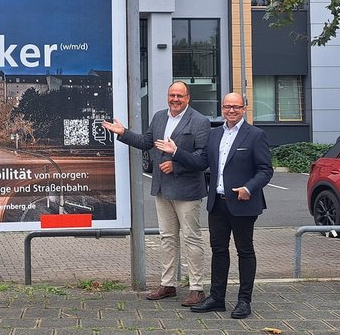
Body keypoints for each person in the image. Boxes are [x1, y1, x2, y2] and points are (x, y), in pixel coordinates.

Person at [154, 92, 273, 319]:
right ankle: (217, 298)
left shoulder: (255, 135)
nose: (231, 111)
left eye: (236, 107)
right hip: (217, 203)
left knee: (244, 251)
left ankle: (244, 301)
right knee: (218, 251)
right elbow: (201, 163)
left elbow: (266, 170)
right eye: (227, 107)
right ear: (222, 108)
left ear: (244, 109)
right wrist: (177, 152)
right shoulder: (214, 134)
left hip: (242, 203)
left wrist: (249, 188)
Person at [102, 81, 209, 306]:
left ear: (188, 98)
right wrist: (123, 133)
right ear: (167, 96)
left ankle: (197, 288)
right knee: (167, 238)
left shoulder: (200, 121)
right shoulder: (160, 117)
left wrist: (176, 162)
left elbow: (203, 160)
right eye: (172, 95)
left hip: (187, 191)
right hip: (162, 188)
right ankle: (168, 284)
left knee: (191, 238)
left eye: (180, 95)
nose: (175, 99)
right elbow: (146, 142)